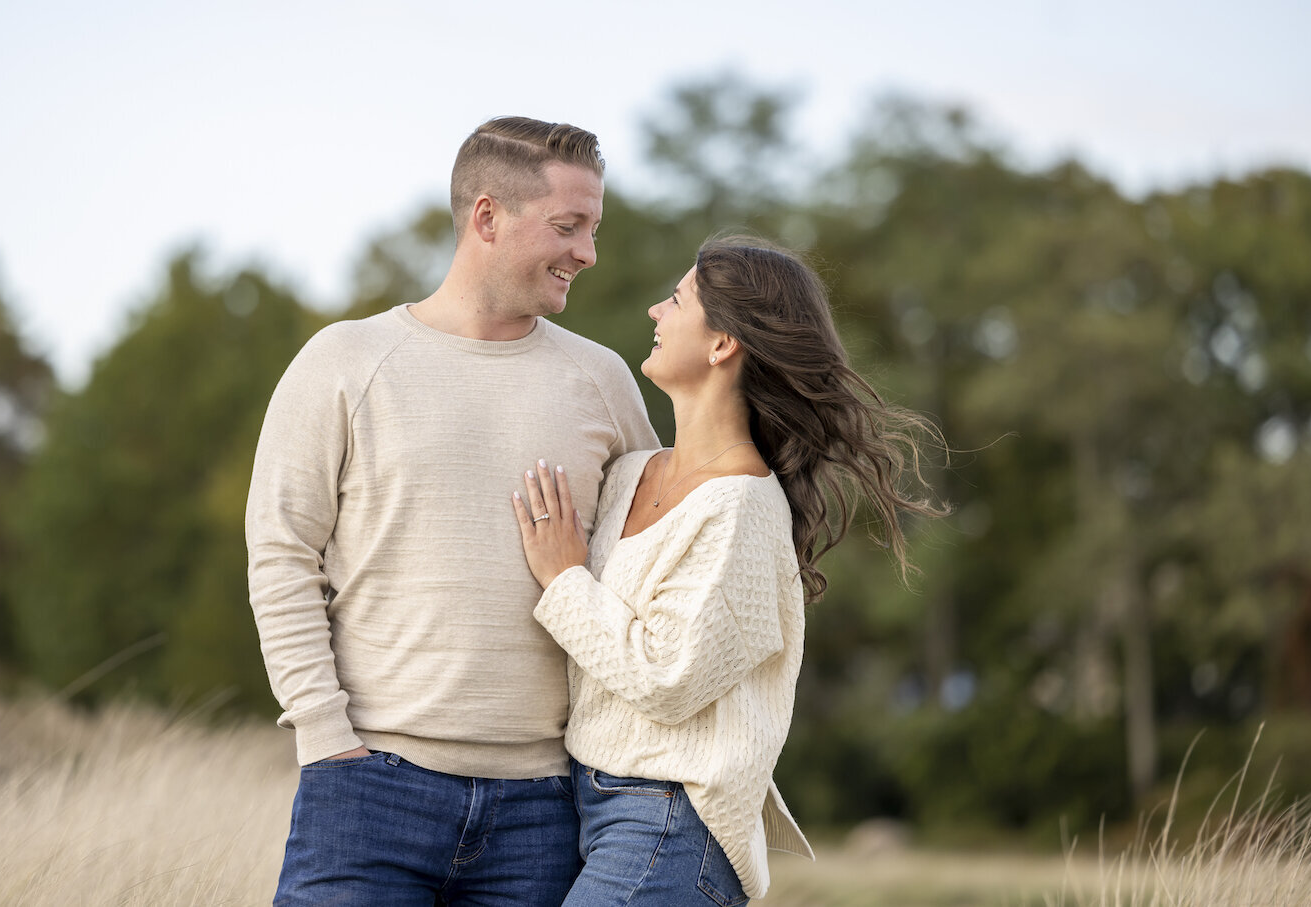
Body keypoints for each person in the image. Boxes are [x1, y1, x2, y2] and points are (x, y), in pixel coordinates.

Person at [246, 116, 660, 906]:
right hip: (367, 792)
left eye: (594, 230)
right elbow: (281, 553)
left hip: (543, 806)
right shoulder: (345, 360)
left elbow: (654, 559)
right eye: (569, 226)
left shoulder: (603, 380)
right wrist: (325, 737)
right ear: (487, 216)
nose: (588, 253)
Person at [513, 237, 945, 905]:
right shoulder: (630, 472)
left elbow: (668, 678)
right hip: (584, 804)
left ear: (722, 345)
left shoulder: (743, 505)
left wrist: (565, 580)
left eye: (678, 299)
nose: (656, 309)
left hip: (669, 822)